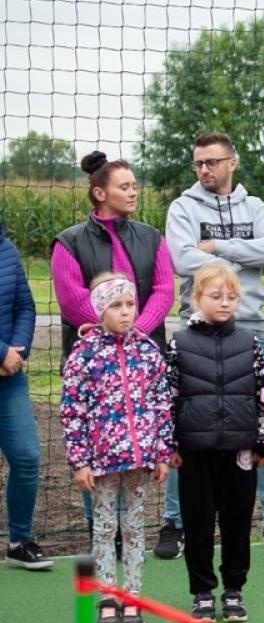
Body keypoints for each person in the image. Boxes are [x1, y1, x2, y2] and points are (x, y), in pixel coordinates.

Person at [162, 132, 264, 557]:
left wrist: (218, 249)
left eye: (212, 162)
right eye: (198, 163)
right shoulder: (183, 207)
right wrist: (240, 261)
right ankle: (174, 523)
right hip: (194, 327)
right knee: (185, 422)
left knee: (259, 421)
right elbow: (180, 259)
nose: (204, 170)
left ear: (232, 162)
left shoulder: (255, 206)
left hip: (249, 327)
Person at [51, 152, 175, 529]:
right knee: (96, 445)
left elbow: (164, 288)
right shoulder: (69, 242)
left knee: (141, 444)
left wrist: (138, 329)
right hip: (96, 366)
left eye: (135, 185)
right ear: (100, 193)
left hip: (141, 362)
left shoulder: (151, 237)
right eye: (125, 186)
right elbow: (73, 300)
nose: (134, 192)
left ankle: (133, 534)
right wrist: (111, 333)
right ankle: (100, 530)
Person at [60, 273, 174, 623]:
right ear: (99, 310)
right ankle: (107, 598)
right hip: (102, 461)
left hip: (140, 461)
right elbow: (73, 411)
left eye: (130, 305)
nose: (126, 313)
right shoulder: (83, 356)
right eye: (116, 306)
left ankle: (133, 596)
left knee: (136, 526)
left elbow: (161, 404)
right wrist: (80, 461)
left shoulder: (148, 351)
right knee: (106, 527)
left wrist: (162, 452)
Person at [167, 261, 264, 623]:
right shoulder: (180, 343)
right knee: (198, 523)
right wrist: (168, 444)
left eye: (231, 297)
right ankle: (202, 591)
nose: (225, 303)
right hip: (195, 451)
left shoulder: (249, 342)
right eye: (216, 296)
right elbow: (168, 397)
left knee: (237, 522)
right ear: (197, 298)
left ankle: (234, 589)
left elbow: (262, 393)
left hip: (239, 449)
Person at [1, 219, 47, 572]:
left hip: (9, 378)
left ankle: (19, 541)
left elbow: (25, 307)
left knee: (28, 457)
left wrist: (18, 350)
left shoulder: (7, 249)